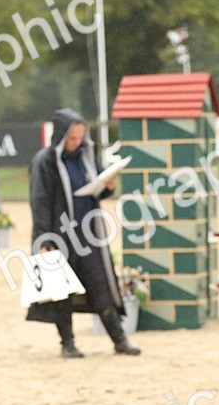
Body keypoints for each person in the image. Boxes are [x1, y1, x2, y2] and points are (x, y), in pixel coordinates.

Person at [26, 108, 141, 357]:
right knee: (62, 292)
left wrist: (108, 187)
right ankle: (68, 344)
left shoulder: (87, 155)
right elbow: (39, 201)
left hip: (90, 236)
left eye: (80, 137)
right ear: (60, 135)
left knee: (102, 285)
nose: (76, 142)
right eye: (72, 138)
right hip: (58, 237)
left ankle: (120, 340)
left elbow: (97, 188)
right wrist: (44, 238)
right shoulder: (44, 162)